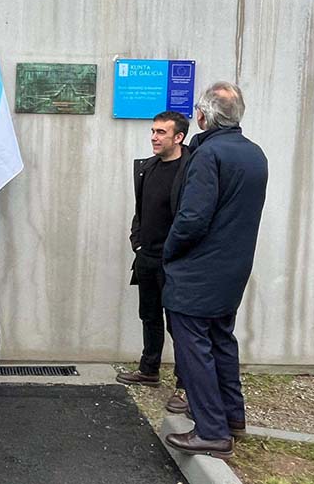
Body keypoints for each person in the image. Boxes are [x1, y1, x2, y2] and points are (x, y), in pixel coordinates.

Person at [163, 82, 268, 459]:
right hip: (233, 268)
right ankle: (231, 418)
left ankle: (211, 431)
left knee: (194, 349)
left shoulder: (208, 155)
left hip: (198, 271)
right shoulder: (254, 154)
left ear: (204, 117)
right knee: (222, 340)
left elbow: (192, 219)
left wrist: (170, 254)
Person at [117, 111, 190, 414]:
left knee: (181, 325)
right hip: (147, 258)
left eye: (161, 132)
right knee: (149, 316)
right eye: (153, 131)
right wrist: (137, 241)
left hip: (176, 263)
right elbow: (141, 211)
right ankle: (149, 369)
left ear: (179, 137)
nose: (154, 137)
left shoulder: (192, 169)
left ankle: (186, 386)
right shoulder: (147, 168)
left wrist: (178, 254)